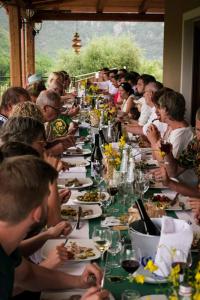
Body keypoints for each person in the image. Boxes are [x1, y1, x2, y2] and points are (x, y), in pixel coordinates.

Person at [0, 155, 107, 300]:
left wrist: (79, 281)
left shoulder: (8, 245)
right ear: (37, 213)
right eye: (48, 197)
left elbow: (28, 276)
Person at [152, 107, 200, 197]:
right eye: (198, 130)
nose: (199, 137)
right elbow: (174, 171)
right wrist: (167, 153)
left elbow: (198, 193)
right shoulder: (196, 143)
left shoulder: (181, 132)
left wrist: (170, 183)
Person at [147, 90, 193, 159]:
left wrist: (154, 141)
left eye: (159, 108)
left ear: (166, 110)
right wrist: (157, 138)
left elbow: (167, 166)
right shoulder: (171, 127)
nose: (156, 111)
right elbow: (155, 158)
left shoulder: (180, 133)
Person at [36, 90, 76, 155]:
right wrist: (53, 151)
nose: (59, 113)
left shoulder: (46, 123)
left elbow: (44, 146)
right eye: (57, 109)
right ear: (46, 108)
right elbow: (32, 157)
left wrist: (59, 141)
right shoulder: (32, 125)